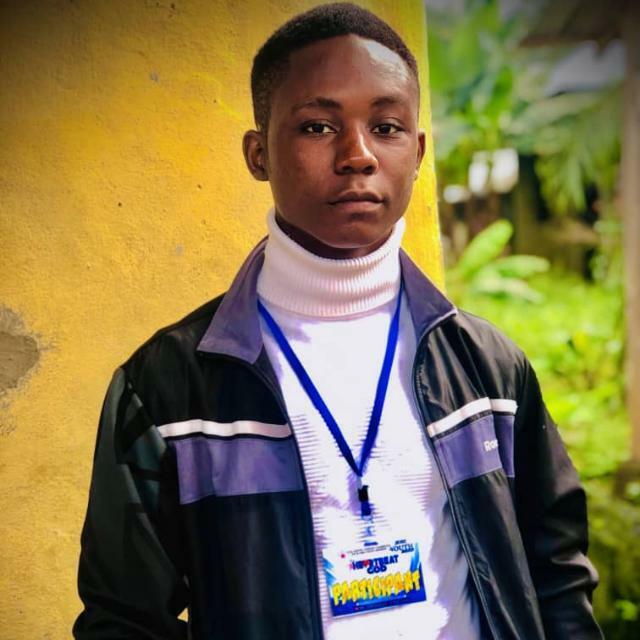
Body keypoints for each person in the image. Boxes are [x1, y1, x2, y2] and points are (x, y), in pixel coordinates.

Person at [73, 3, 603, 639]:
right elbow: (124, 619)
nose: (358, 155)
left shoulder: (487, 370)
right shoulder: (169, 388)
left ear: (418, 152)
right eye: (319, 126)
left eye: (386, 127)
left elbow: (557, 575)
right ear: (258, 154)